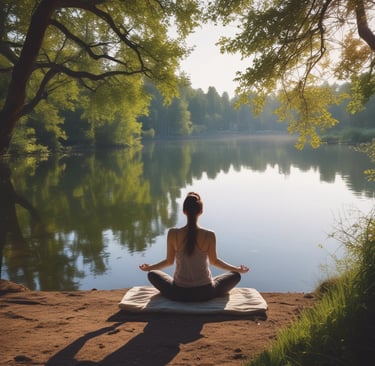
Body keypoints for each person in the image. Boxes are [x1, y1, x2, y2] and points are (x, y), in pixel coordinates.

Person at [139, 192, 249, 302]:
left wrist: (149, 268)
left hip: (178, 292)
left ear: (184, 211)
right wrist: (237, 269)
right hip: (205, 292)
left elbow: (169, 262)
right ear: (201, 211)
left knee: (152, 274)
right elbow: (214, 262)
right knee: (235, 275)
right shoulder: (209, 235)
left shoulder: (173, 233)